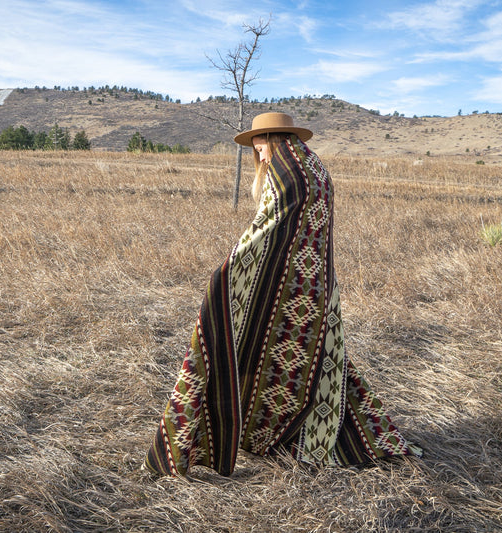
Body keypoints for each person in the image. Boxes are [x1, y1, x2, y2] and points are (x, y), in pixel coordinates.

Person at [144, 112, 421, 477]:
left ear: (272, 138)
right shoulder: (315, 167)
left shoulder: (283, 171)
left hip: (285, 284)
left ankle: (241, 438)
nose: (256, 151)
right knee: (310, 358)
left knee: (237, 340)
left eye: (259, 143)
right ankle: (288, 435)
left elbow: (267, 229)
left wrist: (232, 268)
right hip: (315, 285)